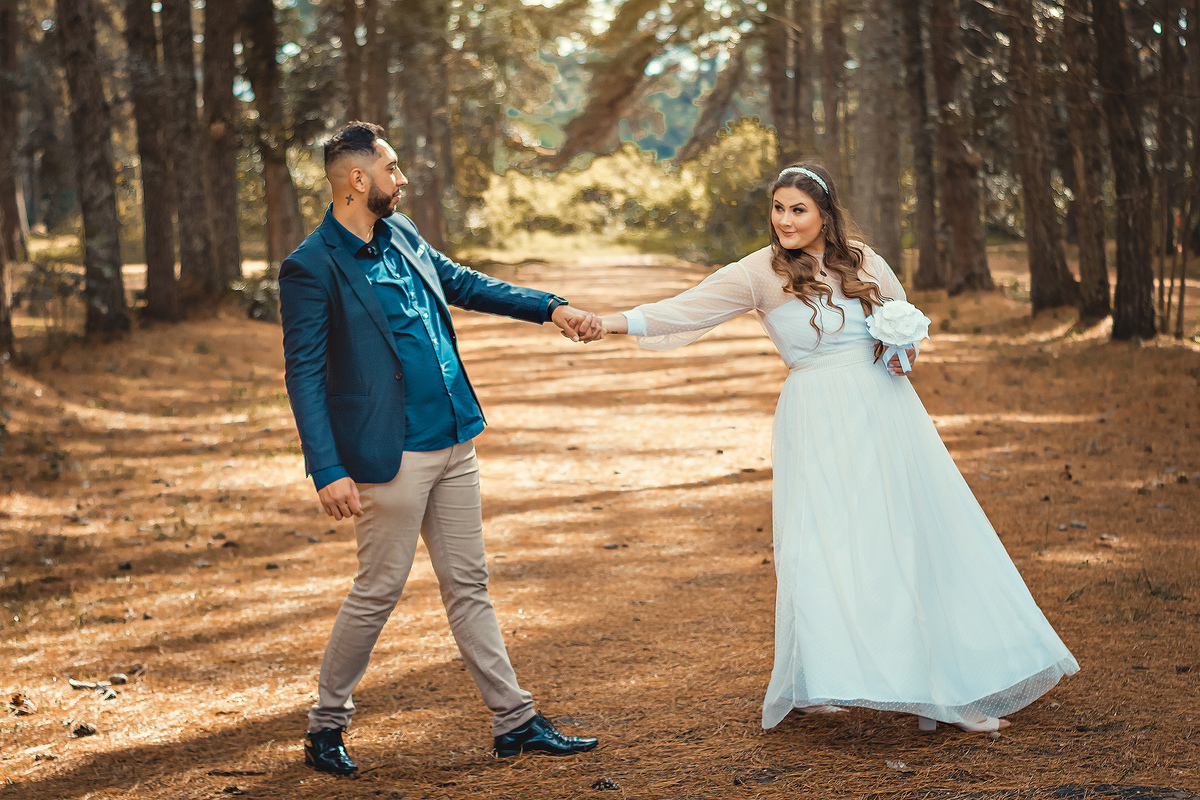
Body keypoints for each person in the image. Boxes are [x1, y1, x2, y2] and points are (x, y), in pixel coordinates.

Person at [591, 164, 1079, 732]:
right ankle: (813, 675)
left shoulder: (864, 260)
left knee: (905, 531)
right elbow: (684, 309)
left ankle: (945, 682)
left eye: (797, 209)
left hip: (887, 412)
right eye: (777, 208)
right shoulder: (759, 272)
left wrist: (902, 350)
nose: (785, 220)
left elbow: (906, 326)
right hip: (817, 415)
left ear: (825, 213)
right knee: (814, 540)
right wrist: (607, 323)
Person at [279, 121, 601, 776]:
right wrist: (328, 468)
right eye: (392, 168)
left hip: (455, 437)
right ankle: (325, 726)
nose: (402, 179)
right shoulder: (311, 267)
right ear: (358, 180)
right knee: (378, 589)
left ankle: (514, 721)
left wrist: (550, 308)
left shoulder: (402, 232)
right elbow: (304, 375)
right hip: (389, 456)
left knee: (469, 583)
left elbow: (465, 283)